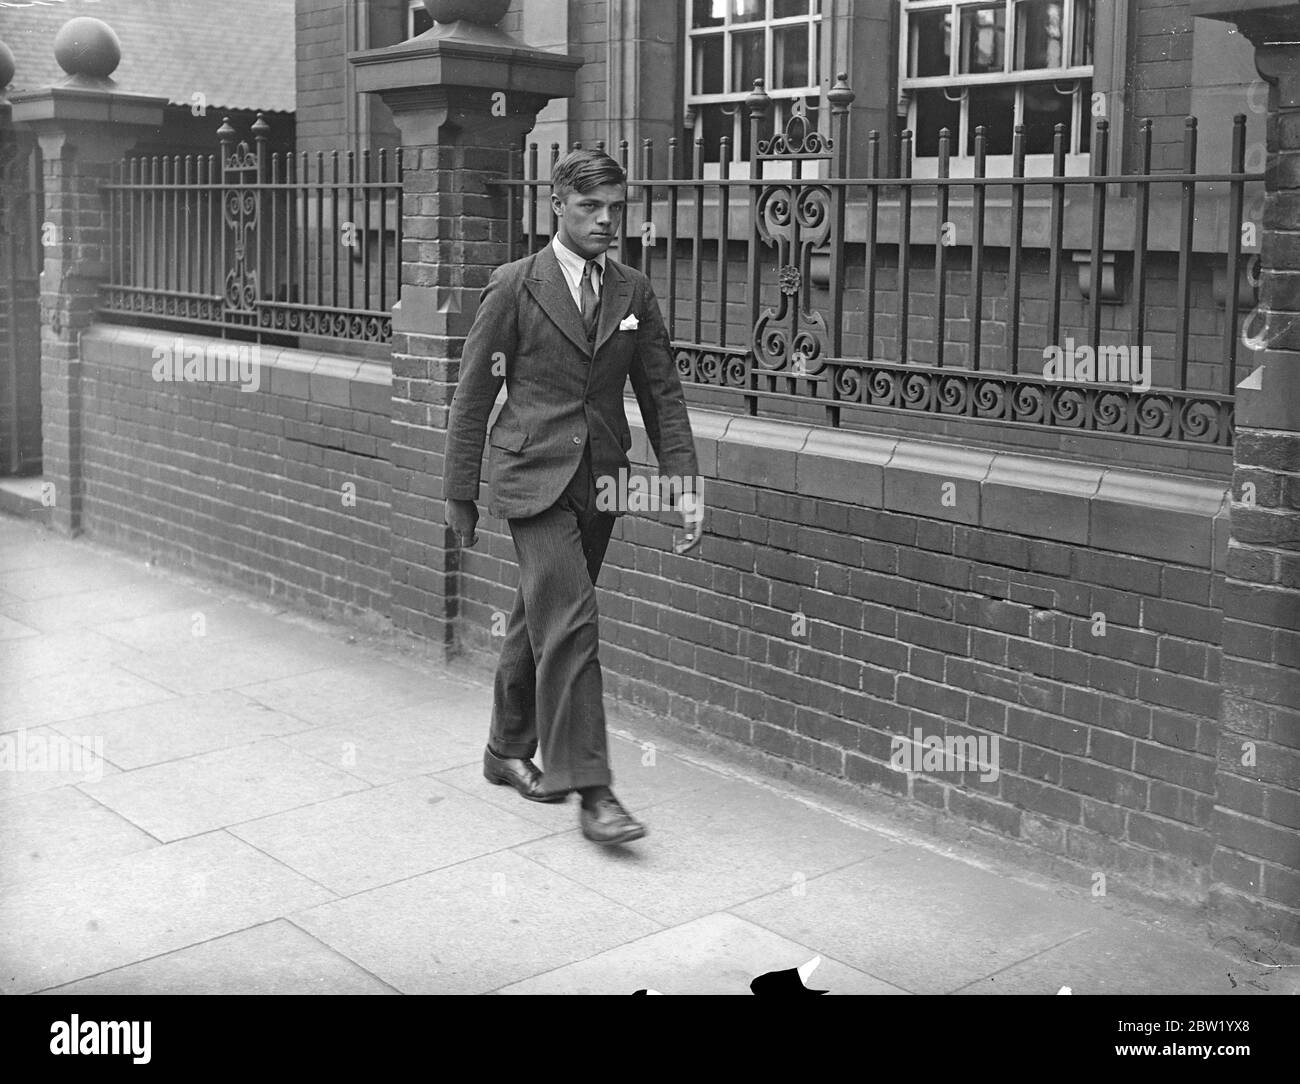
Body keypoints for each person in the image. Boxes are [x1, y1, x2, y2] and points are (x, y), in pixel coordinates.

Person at [443, 148, 703, 845]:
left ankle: (504, 750)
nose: (607, 221)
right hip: (531, 478)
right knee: (574, 620)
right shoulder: (513, 286)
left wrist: (682, 484)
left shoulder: (632, 293)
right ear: (557, 204)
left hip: (602, 483)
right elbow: (473, 395)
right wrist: (459, 493)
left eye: (616, 208)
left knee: (543, 617)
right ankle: (594, 791)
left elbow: (661, 393)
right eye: (591, 207)